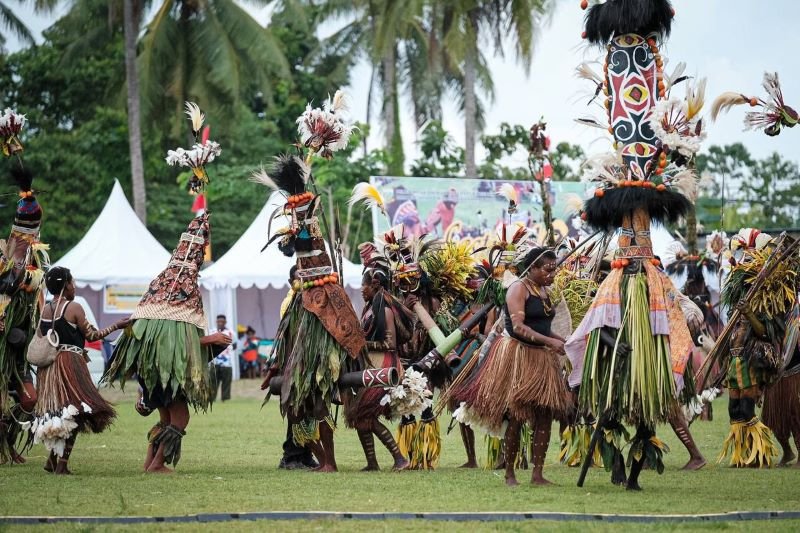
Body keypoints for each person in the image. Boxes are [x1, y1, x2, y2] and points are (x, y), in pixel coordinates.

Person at [105, 213, 230, 473]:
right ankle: (158, 464)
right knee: (180, 417)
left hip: (150, 372)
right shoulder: (186, 290)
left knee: (165, 418)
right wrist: (214, 339)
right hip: (168, 371)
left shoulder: (158, 285)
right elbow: (181, 344)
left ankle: (149, 463)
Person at [471, 248, 568, 486]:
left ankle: (538, 474)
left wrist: (563, 340)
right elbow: (519, 328)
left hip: (543, 359)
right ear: (532, 268)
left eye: (554, 268)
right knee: (518, 415)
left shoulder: (544, 290)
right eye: (547, 269)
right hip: (521, 356)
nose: (552, 273)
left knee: (545, 416)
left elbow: (543, 327)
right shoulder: (518, 289)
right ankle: (510, 473)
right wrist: (550, 342)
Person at [31, 267, 128, 474]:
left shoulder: (46, 309)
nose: (74, 286)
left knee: (61, 414)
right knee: (76, 411)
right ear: (65, 285)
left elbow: (41, 335)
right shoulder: (73, 307)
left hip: (50, 368)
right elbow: (93, 335)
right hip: (70, 364)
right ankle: (62, 465)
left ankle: (52, 461)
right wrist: (116, 326)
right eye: (72, 282)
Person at [0, 166, 49, 465]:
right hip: (3, 341)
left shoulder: (36, 258)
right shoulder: (4, 256)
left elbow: (39, 301)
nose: (30, 235)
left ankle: (8, 443)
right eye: (25, 230)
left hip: (20, 347)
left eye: (34, 230)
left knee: (30, 400)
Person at [345, 268, 412, 471]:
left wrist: (363, 344)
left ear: (374, 285)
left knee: (365, 412)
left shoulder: (384, 310)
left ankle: (400, 459)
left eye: (363, 285)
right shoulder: (370, 308)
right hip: (371, 365)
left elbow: (389, 344)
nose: (361, 289)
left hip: (384, 365)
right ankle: (372, 463)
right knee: (359, 415)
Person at [210, 314, 235, 402]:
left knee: (226, 382)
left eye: (222, 322)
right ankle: (212, 399)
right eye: (218, 321)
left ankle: (225, 399)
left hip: (227, 362)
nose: (220, 323)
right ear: (216, 322)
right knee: (213, 382)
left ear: (225, 322)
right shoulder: (211, 332)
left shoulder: (230, 332)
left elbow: (234, 345)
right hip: (214, 362)